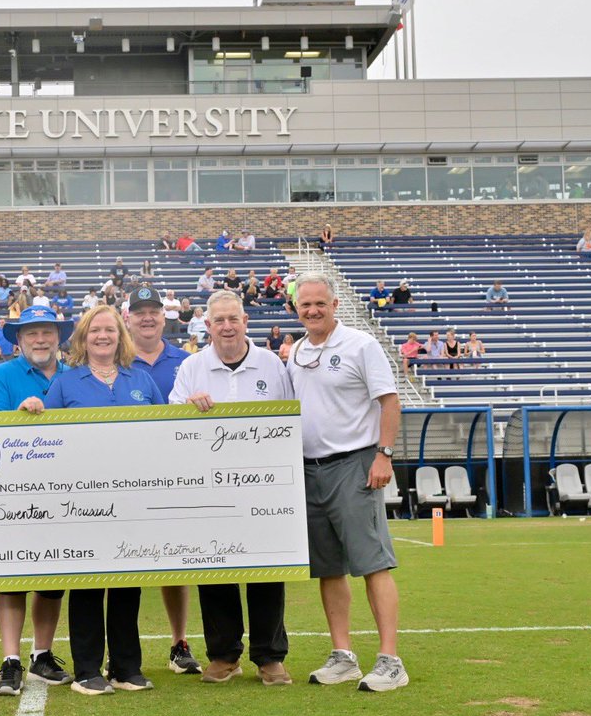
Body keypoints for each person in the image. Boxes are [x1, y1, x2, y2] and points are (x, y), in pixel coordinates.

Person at [287, 272, 407, 692]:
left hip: (355, 465)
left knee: (372, 563)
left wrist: (383, 455)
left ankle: (390, 660)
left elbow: (389, 401)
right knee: (329, 568)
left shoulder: (361, 344)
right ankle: (343, 655)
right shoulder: (297, 352)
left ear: (335, 305)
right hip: (309, 470)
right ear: (296, 309)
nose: (313, 310)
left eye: (320, 303)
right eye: (305, 305)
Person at [168, 290, 295, 685]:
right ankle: (223, 655)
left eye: (233, 319)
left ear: (245, 321)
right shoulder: (192, 367)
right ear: (207, 326)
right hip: (208, 489)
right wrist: (189, 406)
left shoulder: (271, 364)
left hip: (264, 488)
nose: (226, 326)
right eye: (218, 320)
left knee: (267, 569)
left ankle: (269, 656)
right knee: (215, 567)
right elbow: (170, 422)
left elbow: (289, 419)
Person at [39, 305, 165, 694]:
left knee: (128, 583)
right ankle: (88, 669)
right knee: (88, 584)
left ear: (120, 335)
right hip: (83, 502)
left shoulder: (141, 378)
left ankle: (126, 667)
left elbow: (167, 432)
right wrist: (33, 411)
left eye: (109, 329)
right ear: (82, 337)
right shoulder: (65, 383)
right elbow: (46, 439)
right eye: (95, 330)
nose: (103, 336)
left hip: (133, 502)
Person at [0, 306, 76, 696]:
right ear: (18, 340)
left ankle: (41, 654)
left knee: (53, 580)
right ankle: (10, 660)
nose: (40, 339)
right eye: (32, 333)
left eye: (47, 332)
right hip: (15, 492)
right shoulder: (1, 376)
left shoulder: (76, 376)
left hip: (66, 490)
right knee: (12, 580)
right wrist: (22, 417)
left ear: (59, 337)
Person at [122, 285, 202, 676]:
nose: (148, 317)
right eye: (140, 312)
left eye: (154, 310)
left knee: (177, 561)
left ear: (165, 316)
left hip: (176, 473)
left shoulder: (187, 361)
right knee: (122, 562)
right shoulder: (114, 359)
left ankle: (178, 642)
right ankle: (121, 649)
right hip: (125, 474)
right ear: (128, 318)